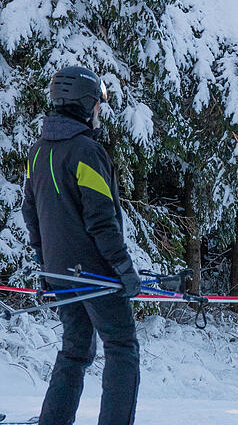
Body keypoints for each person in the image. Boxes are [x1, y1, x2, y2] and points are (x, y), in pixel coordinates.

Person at [21, 65, 142, 425]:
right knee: (122, 349)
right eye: (98, 104)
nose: (99, 111)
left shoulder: (38, 151)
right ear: (86, 103)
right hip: (96, 276)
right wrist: (123, 268)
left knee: (75, 351)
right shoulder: (87, 151)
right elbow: (101, 221)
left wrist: (45, 266)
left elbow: (32, 215)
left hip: (61, 272)